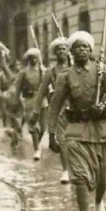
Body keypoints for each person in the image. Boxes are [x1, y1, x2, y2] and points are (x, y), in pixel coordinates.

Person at [47, 31, 106, 211]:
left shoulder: (102, 71)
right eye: (78, 47)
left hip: (103, 129)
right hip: (76, 131)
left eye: (86, 47)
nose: (82, 50)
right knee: (79, 178)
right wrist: (51, 133)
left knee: (102, 178)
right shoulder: (65, 77)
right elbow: (54, 106)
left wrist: (105, 107)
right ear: (71, 51)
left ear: (91, 51)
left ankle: (98, 202)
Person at [34, 37, 72, 184]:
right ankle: (65, 170)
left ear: (68, 51)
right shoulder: (51, 72)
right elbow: (41, 92)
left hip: (76, 108)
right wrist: (36, 111)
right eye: (59, 50)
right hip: (60, 109)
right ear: (55, 53)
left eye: (64, 49)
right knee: (62, 140)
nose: (62, 52)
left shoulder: (75, 67)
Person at [14, 48, 47, 160]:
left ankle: (38, 143)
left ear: (38, 59)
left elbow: (49, 85)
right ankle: (37, 149)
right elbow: (17, 87)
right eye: (31, 57)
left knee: (43, 127)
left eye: (35, 57)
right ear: (28, 59)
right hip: (29, 100)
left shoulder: (43, 71)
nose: (33, 59)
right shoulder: (23, 73)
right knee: (33, 126)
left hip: (42, 100)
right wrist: (17, 100)